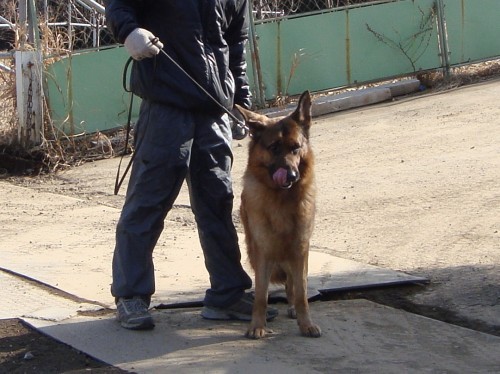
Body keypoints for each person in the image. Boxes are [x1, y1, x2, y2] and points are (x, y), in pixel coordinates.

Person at [104, 0, 277, 330]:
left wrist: (241, 103)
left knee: (218, 202)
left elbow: (235, 42)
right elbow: (120, 5)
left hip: (214, 110)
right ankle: (131, 295)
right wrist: (129, 32)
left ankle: (227, 293)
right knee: (148, 202)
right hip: (166, 105)